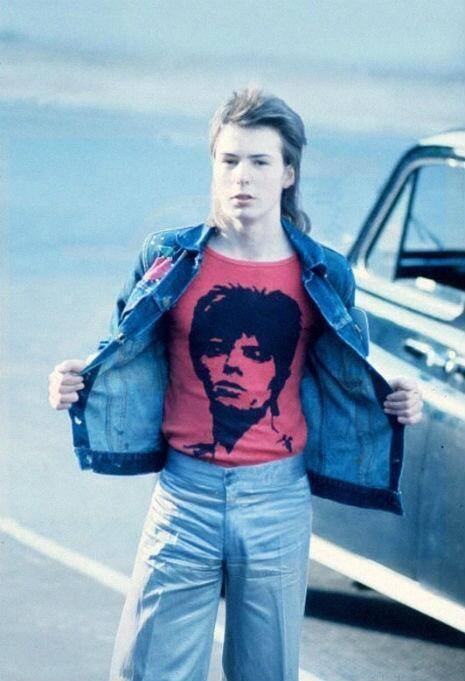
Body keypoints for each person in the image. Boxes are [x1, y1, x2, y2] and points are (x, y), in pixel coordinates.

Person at [48, 88, 423, 681]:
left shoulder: (324, 272)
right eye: (229, 161)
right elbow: (118, 352)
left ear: (288, 173)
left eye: (259, 162)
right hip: (184, 497)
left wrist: (402, 399)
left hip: (277, 499)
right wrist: (72, 383)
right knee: (149, 672)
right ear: (213, 166)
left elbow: (353, 374)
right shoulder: (168, 258)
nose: (241, 176)